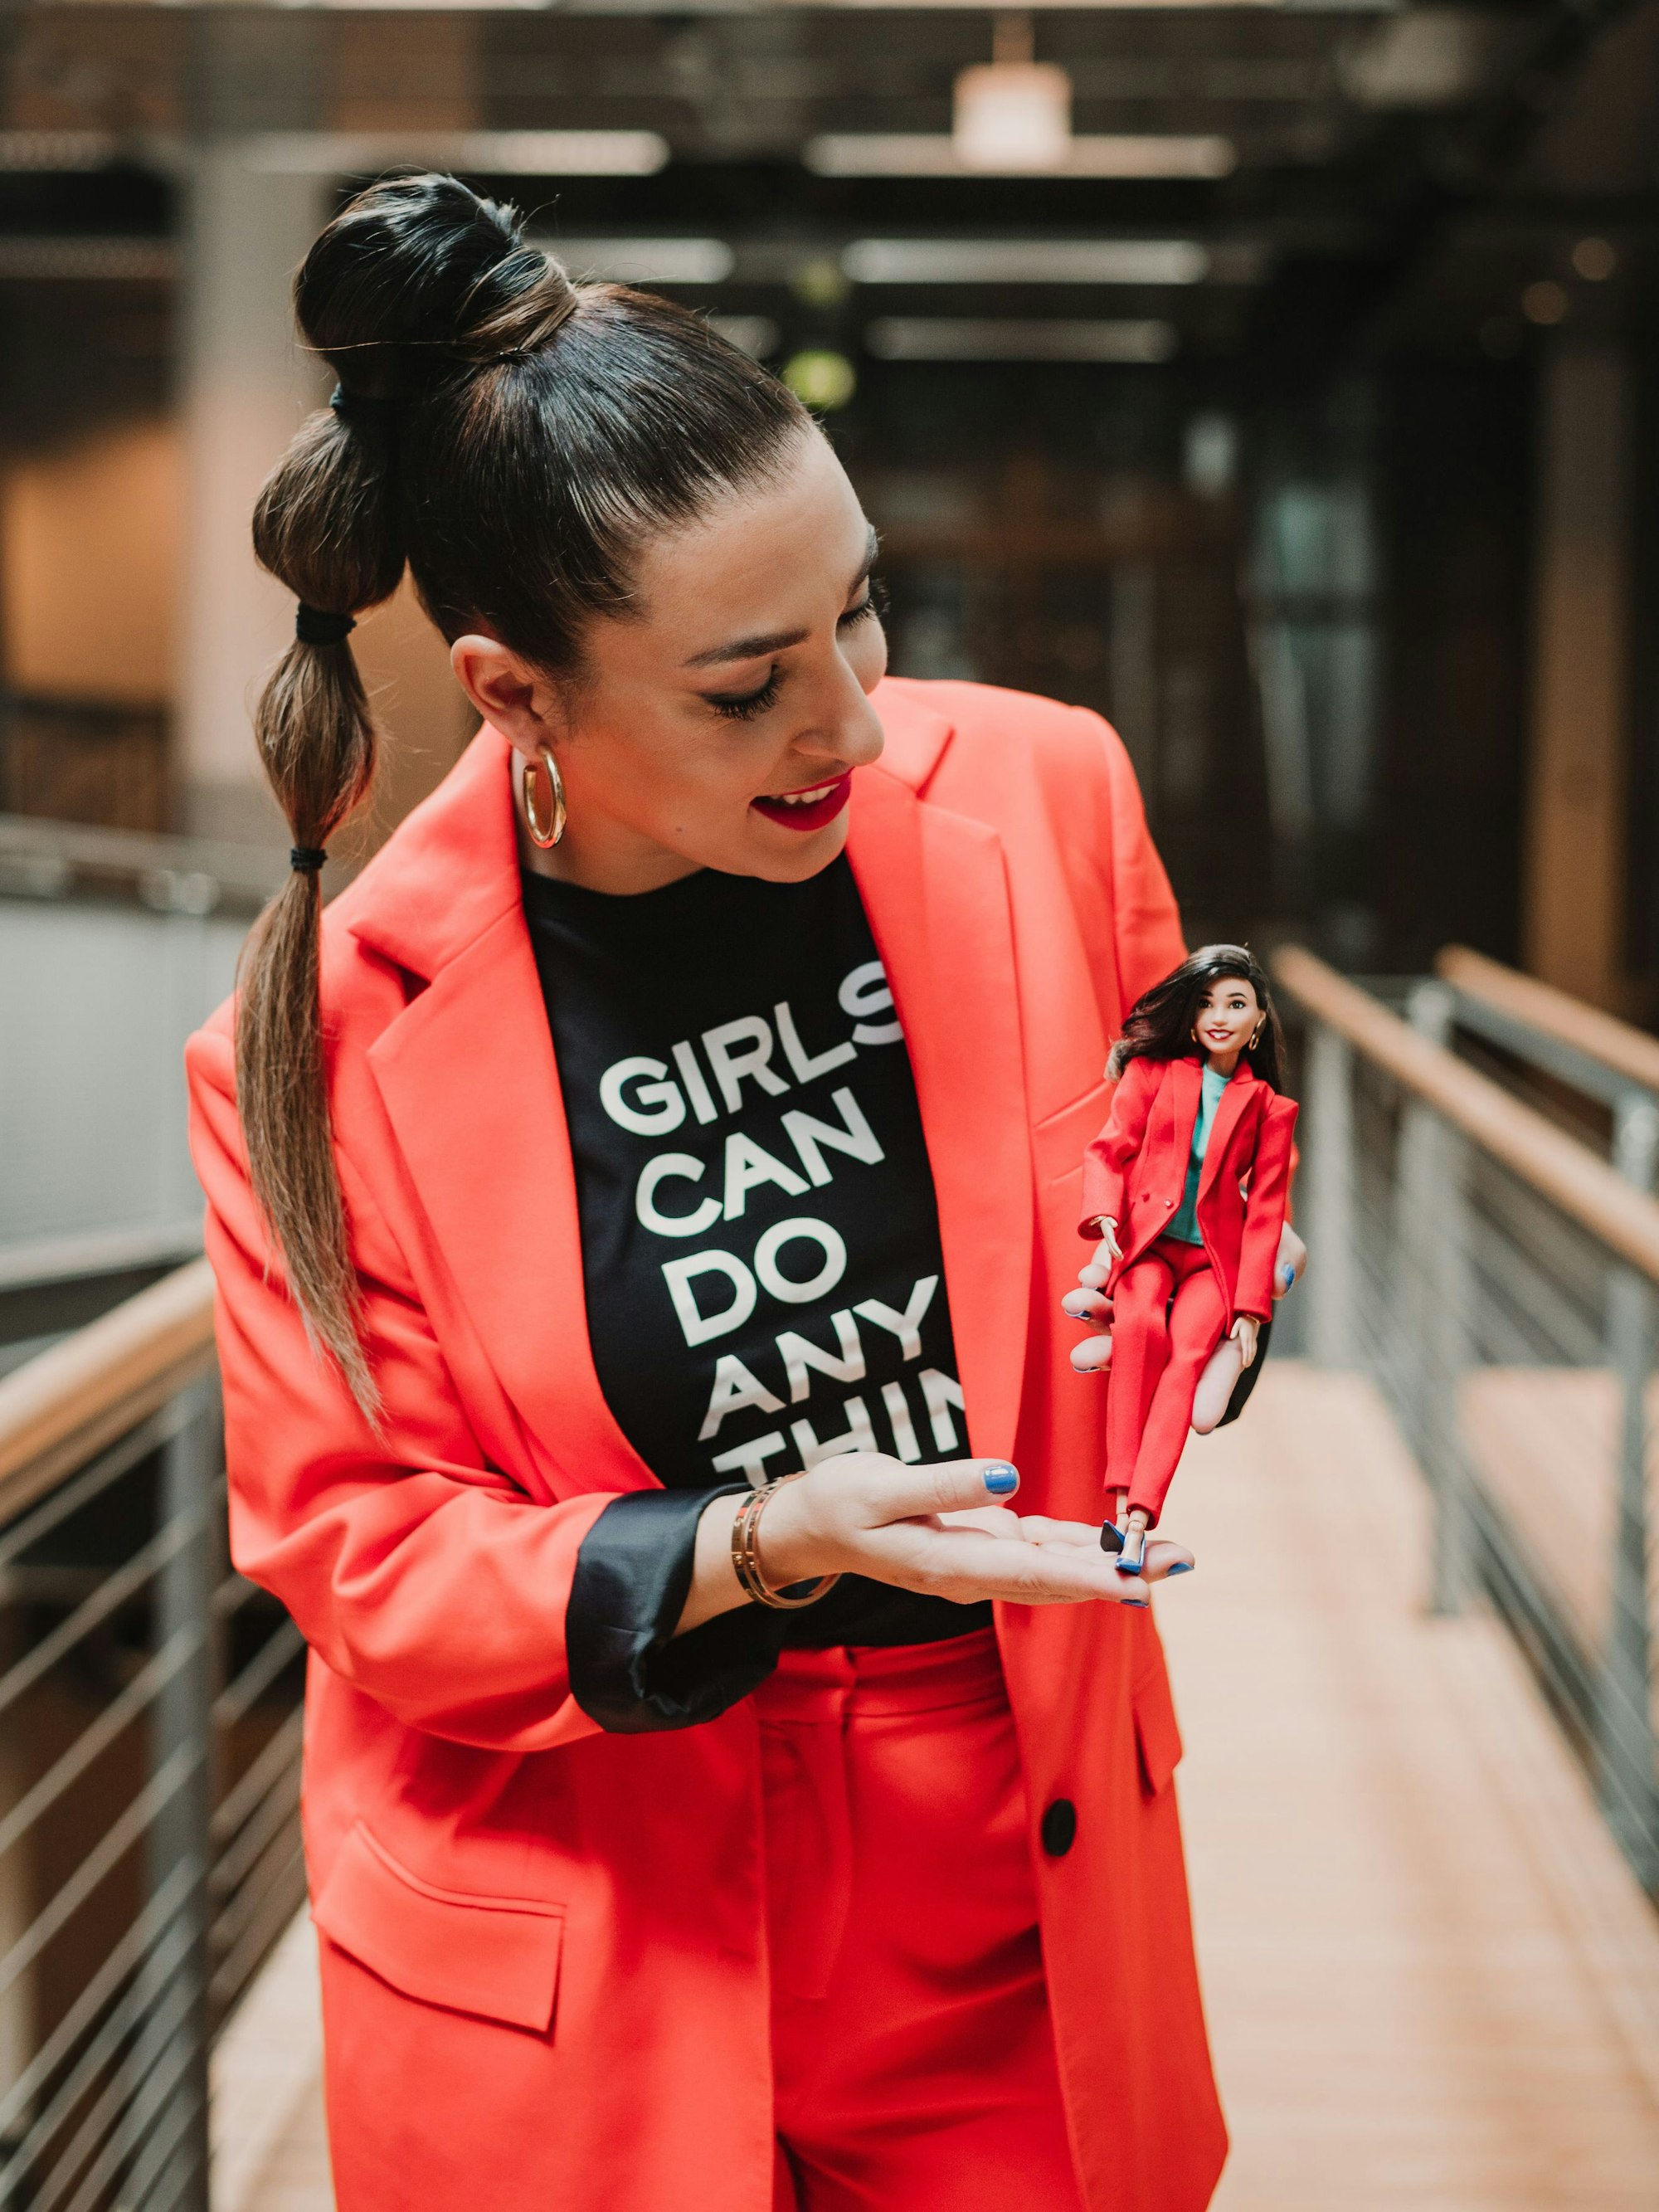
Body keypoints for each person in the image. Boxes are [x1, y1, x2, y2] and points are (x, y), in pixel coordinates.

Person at [186, 173, 1228, 2212]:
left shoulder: (1043, 793)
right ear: (513, 693)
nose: (850, 715)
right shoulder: (318, 1035)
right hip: (577, 1919)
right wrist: (744, 1540)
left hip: (1006, 1878)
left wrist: (1218, 1204)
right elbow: (359, 1545)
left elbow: (1135, 1233)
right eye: (745, 685)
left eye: (859, 606)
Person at [1077, 947, 1298, 1571]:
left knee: (1188, 1358)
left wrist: (1252, 1308)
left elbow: (1266, 1212)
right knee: (1140, 1329)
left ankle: (1142, 1514)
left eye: (1236, 1003)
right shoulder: (1152, 1073)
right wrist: (1103, 1216)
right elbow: (1107, 1150)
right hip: (1146, 1243)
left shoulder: (1270, 1109)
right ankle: (1119, 1497)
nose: (1219, 1015)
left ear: (1257, 1019)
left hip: (1212, 1260)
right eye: (1205, 1003)